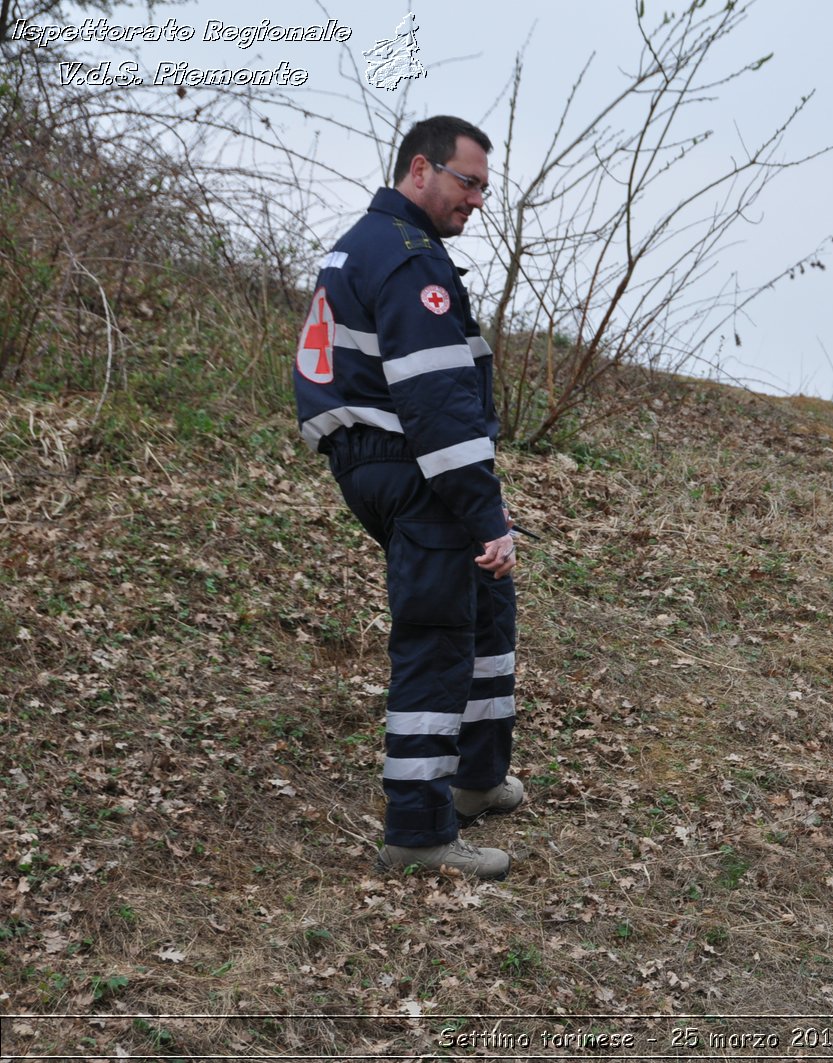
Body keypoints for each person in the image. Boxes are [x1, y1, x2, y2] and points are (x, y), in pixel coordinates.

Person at [293, 116, 523, 880]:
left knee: (487, 602)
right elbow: (435, 400)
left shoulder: (365, 243)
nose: (478, 201)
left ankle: (476, 778)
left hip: (385, 459)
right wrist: (485, 511)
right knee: (435, 635)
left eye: (485, 187)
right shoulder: (406, 257)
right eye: (468, 182)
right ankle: (420, 832)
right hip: (411, 462)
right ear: (419, 170)